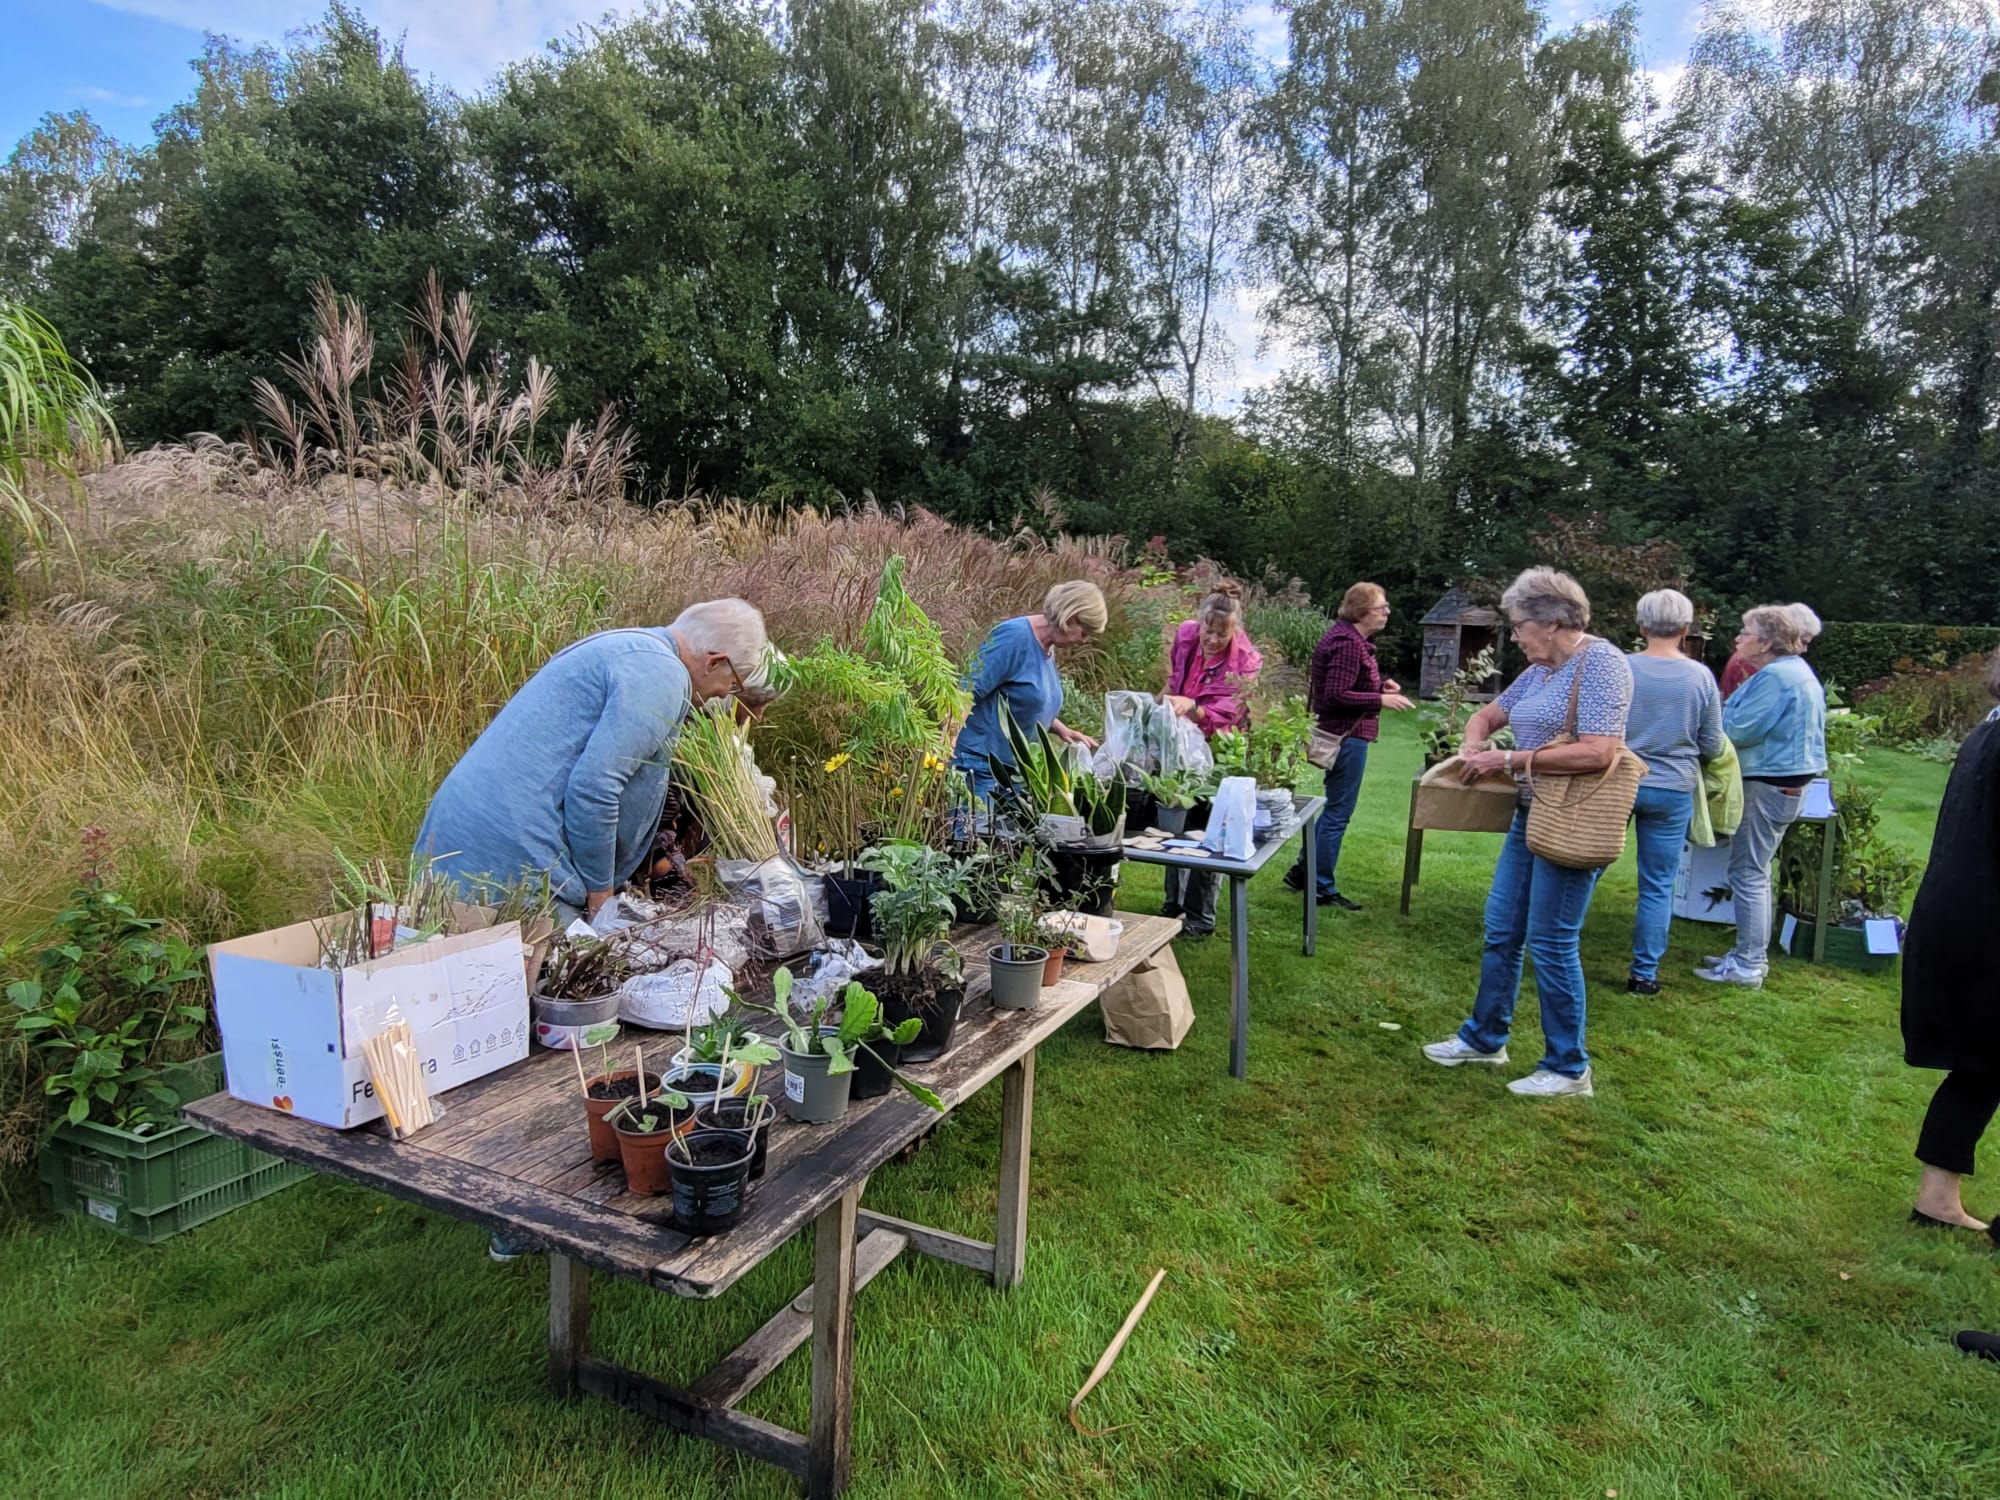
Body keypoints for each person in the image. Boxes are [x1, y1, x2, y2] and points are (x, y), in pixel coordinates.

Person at [417, 599, 778, 925]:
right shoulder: (662, 674)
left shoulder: (630, 647)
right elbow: (594, 788)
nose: (723, 695)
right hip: (506, 860)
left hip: (458, 843)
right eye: (731, 685)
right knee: (542, 978)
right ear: (714, 661)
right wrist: (599, 891)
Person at [1421, 568, 1633, 1098]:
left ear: (1554, 621)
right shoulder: (1538, 671)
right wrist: (1474, 747)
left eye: (1518, 625)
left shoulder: (1603, 664)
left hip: (1573, 820)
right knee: (1502, 930)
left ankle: (1568, 1068)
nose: (1513, 636)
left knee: (1552, 940)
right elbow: (1488, 715)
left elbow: (1599, 750)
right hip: (1529, 815)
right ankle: (1485, 1038)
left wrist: (1511, 759)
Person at [1901, 655, 2000, 1238]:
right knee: (1985, 1061)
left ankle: (1937, 1195)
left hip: (1963, 915)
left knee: (1983, 1064)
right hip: (1985, 923)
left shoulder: (1985, 730)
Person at [1696, 604, 1827, 989]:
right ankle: (1744, 955)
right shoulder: (1790, 672)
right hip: (1781, 781)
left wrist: (1702, 727)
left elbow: (1737, 729)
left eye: (1746, 632)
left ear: (1767, 642)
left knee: (1749, 872)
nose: (1739, 639)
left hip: (1769, 784)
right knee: (1752, 869)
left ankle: (1749, 964)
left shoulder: (1777, 678)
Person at [1284, 583, 1413, 909]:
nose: (1386, 612)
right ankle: (1321, 888)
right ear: (1361, 611)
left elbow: (1343, 685)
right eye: (1381, 607)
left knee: (1334, 808)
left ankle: (1303, 872)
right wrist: (1380, 698)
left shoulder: (1352, 640)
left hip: (1345, 733)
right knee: (1338, 812)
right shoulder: (1347, 644)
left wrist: (1378, 686)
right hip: (1345, 736)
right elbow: (1336, 695)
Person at [1623, 589, 1725, 995]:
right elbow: (1712, 745)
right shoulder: (1700, 677)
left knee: (1585, 870)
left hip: (1620, 781)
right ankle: (1644, 974)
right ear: (1686, 629)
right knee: (1658, 884)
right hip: (1672, 788)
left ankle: (1558, 952)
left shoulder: (1622, 669)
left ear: (1642, 625)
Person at [1159, 581, 1262, 938]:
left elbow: (1231, 711)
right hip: (1182, 743)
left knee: (1209, 829)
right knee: (1175, 821)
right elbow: (1176, 679)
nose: (1213, 639)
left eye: (1222, 633)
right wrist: (1167, 703)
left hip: (1220, 747)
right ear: (1199, 622)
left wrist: (1196, 708)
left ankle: (1199, 916)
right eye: (1208, 629)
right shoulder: (1186, 636)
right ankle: (1172, 905)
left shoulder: (1245, 659)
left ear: (1234, 629)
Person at [950, 581, 1106, 799]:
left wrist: (1059, 728)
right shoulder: (1014, 638)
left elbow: (1023, 699)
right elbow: (967, 691)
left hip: (1012, 772)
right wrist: (947, 741)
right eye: (1085, 633)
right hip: (980, 765)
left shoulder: (1048, 646)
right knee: (973, 832)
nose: (1084, 641)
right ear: (1070, 619)